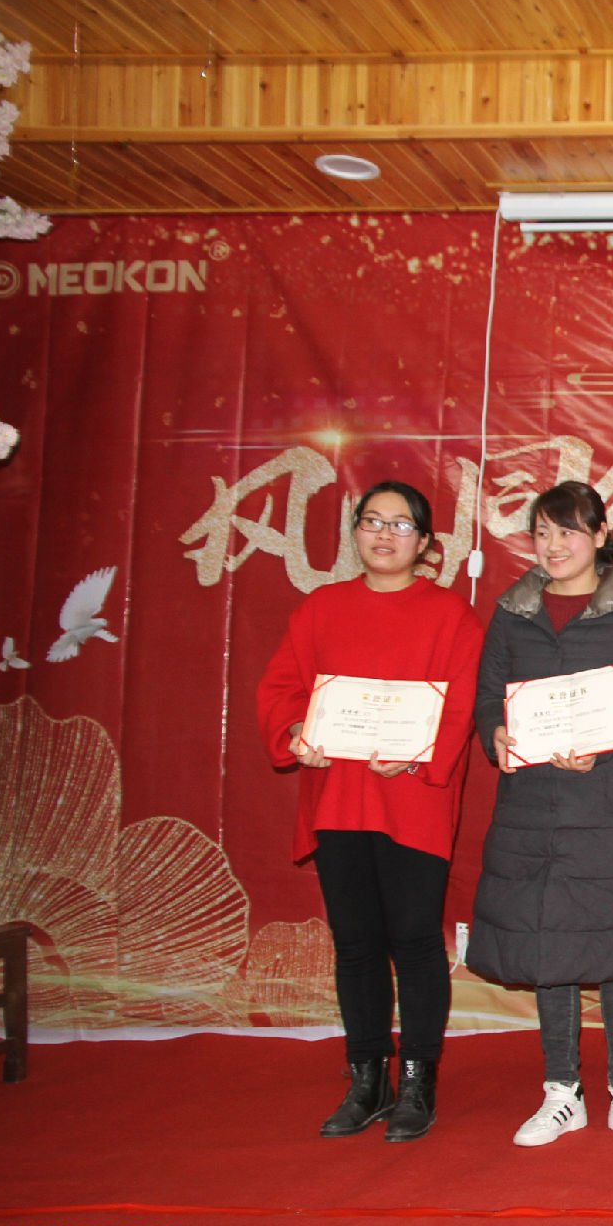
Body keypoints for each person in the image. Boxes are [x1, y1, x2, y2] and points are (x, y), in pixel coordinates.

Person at [256, 480, 485, 1143]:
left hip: (412, 799)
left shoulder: (451, 616)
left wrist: (416, 757)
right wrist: (296, 731)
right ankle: (367, 1077)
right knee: (355, 944)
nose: (384, 535)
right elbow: (280, 688)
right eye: (372, 521)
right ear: (354, 531)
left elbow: (462, 705)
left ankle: (417, 1078)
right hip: (338, 798)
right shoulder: (321, 609)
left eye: (401, 524)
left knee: (414, 939)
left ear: (426, 542)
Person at [466, 482, 613, 1147]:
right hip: (533, 807)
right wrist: (496, 733)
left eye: (567, 532)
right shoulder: (513, 613)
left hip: (612, 804)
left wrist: (604, 741)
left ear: (600, 535)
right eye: (541, 533)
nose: (553, 546)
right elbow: (487, 698)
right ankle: (562, 1092)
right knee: (546, 943)